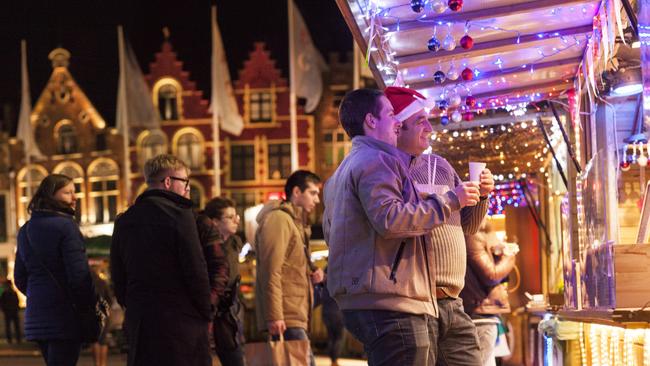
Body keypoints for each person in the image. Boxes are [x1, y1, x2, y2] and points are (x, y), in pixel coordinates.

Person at [323, 88, 480, 366]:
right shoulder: (377, 159)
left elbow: (331, 234)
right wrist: (449, 201)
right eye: (392, 115)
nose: (396, 123)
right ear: (371, 121)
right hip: (392, 302)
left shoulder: (343, 171)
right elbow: (391, 219)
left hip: (371, 299)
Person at [388, 86, 494, 365]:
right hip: (415, 303)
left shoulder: (442, 165)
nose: (429, 127)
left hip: (453, 300)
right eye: (420, 120)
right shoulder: (387, 170)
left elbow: (467, 226)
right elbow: (393, 222)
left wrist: (481, 195)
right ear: (398, 128)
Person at [111, 154, 212, 366]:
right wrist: (205, 310)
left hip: (142, 322)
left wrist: (132, 306)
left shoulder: (125, 220)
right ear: (168, 182)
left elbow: (118, 274)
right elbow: (195, 269)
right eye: (184, 182)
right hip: (181, 323)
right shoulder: (180, 216)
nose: (187, 188)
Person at [14, 174, 97, 365]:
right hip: (65, 317)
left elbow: (20, 277)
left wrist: (40, 295)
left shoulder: (25, 230)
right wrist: (87, 306)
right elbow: (78, 276)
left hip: (37, 317)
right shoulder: (66, 226)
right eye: (68, 192)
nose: (75, 197)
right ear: (51, 196)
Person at [255, 170, 324, 366]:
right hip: (286, 317)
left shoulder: (295, 223)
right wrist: (274, 316)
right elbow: (271, 270)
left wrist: (311, 272)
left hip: (294, 313)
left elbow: (289, 268)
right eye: (312, 193)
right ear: (296, 192)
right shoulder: (279, 220)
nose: (317, 200)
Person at [460, 222, 517, 366]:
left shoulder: (475, 234)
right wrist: (510, 257)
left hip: (481, 312)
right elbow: (491, 275)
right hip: (480, 312)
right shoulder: (472, 235)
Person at [199, 197, 245, 366]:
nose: (236, 220)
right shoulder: (203, 247)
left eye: (236, 216)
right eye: (230, 217)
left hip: (230, 309)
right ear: (214, 222)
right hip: (210, 307)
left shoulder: (235, 243)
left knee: (235, 355)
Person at [318, 267, 344, 366]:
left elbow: (320, 295)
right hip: (338, 313)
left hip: (326, 312)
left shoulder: (324, 275)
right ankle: (335, 360)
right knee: (339, 338)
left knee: (331, 337)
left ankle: (332, 359)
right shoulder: (340, 275)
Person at [90, 267, 113, 366]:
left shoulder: (88, 284)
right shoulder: (102, 282)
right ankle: (102, 364)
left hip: (93, 313)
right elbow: (110, 299)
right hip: (105, 313)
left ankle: (97, 364)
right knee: (103, 341)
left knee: (95, 340)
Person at [1, 280, 21, 344]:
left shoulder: (8, 293)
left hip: (11, 311)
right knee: (13, 326)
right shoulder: (9, 293)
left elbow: (17, 301)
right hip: (11, 311)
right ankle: (14, 339)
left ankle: (15, 339)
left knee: (12, 326)